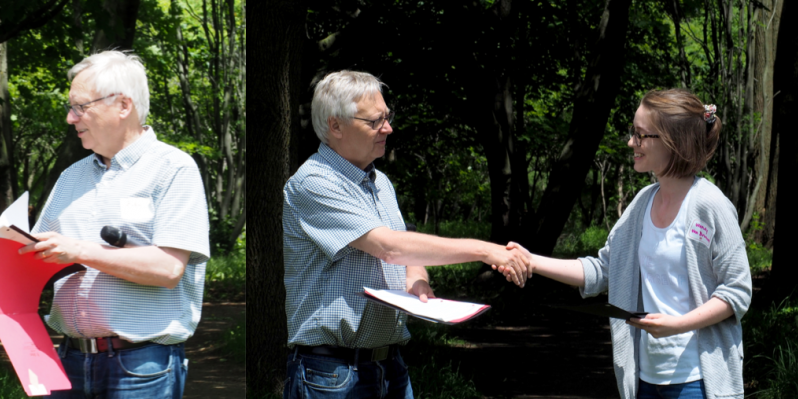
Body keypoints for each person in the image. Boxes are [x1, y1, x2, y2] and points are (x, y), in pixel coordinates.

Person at [0, 50, 209, 399]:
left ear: (122, 105)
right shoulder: (72, 176)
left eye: (81, 107)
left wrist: (80, 250)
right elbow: (27, 260)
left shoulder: (173, 168)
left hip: (141, 368)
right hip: (67, 360)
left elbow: (168, 268)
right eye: (71, 108)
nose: (71, 118)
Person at [282, 70, 532, 399]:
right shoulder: (315, 182)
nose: (388, 128)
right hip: (332, 375)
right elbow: (389, 247)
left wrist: (416, 277)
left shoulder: (380, 183)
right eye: (375, 121)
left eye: (388, 117)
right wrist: (486, 251)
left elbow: (404, 244)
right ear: (335, 125)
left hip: (389, 368)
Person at [500, 89, 752, 399]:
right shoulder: (641, 204)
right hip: (643, 381)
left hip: (698, 382)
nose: (631, 142)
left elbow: (737, 291)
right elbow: (603, 269)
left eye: (641, 135)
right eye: (633, 134)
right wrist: (532, 261)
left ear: (673, 141)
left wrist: (679, 324)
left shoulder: (710, 205)